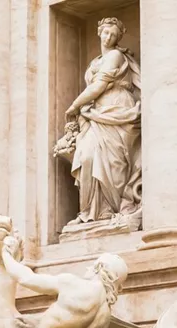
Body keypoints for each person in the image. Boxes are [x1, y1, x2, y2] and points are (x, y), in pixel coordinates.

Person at [60, 17, 142, 226]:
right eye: (106, 33)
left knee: (114, 161)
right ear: (99, 32)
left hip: (117, 109)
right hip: (95, 115)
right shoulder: (94, 61)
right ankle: (91, 211)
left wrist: (74, 106)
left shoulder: (115, 56)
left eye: (113, 35)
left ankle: (109, 210)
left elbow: (98, 87)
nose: (108, 38)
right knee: (87, 156)